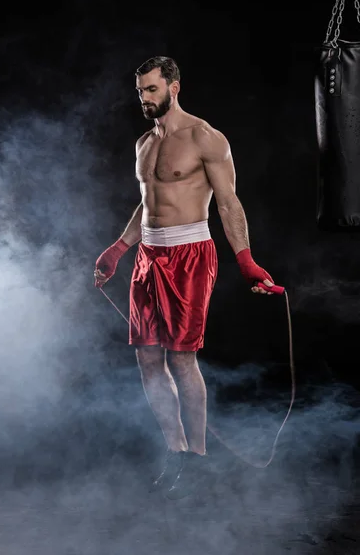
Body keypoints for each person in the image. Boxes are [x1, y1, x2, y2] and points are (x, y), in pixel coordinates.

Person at [94, 56, 278, 500]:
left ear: (174, 87)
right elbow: (148, 202)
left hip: (190, 254)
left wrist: (247, 260)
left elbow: (229, 204)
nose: (144, 99)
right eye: (140, 91)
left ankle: (197, 459)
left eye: (152, 90)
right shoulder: (143, 143)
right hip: (148, 255)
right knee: (148, 359)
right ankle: (174, 452)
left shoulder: (204, 137)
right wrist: (120, 247)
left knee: (180, 359)